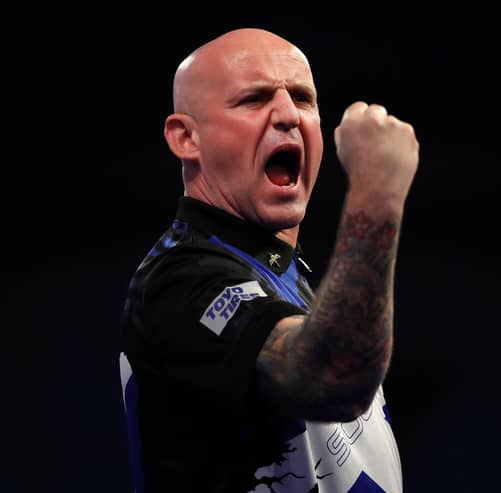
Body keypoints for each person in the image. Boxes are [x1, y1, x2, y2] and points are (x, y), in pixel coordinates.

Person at [119, 27, 419, 492]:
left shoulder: (283, 272)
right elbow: (333, 377)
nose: (287, 115)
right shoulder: (177, 280)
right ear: (186, 138)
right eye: (254, 100)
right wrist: (377, 194)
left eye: (302, 98)